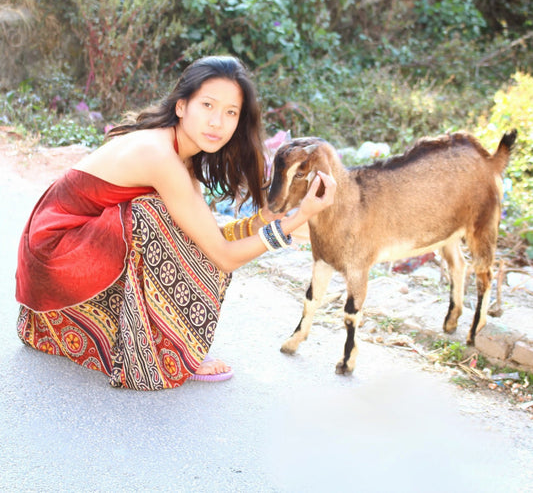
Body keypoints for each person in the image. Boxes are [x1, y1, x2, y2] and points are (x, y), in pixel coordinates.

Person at [15, 55, 336, 390]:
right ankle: (170, 348)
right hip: (53, 255)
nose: (217, 122)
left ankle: (156, 338)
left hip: (64, 256)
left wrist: (268, 219)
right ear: (182, 106)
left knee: (166, 223)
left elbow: (207, 238)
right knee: (149, 216)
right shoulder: (160, 156)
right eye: (208, 105)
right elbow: (221, 256)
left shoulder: (181, 155)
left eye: (230, 112)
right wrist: (296, 221)